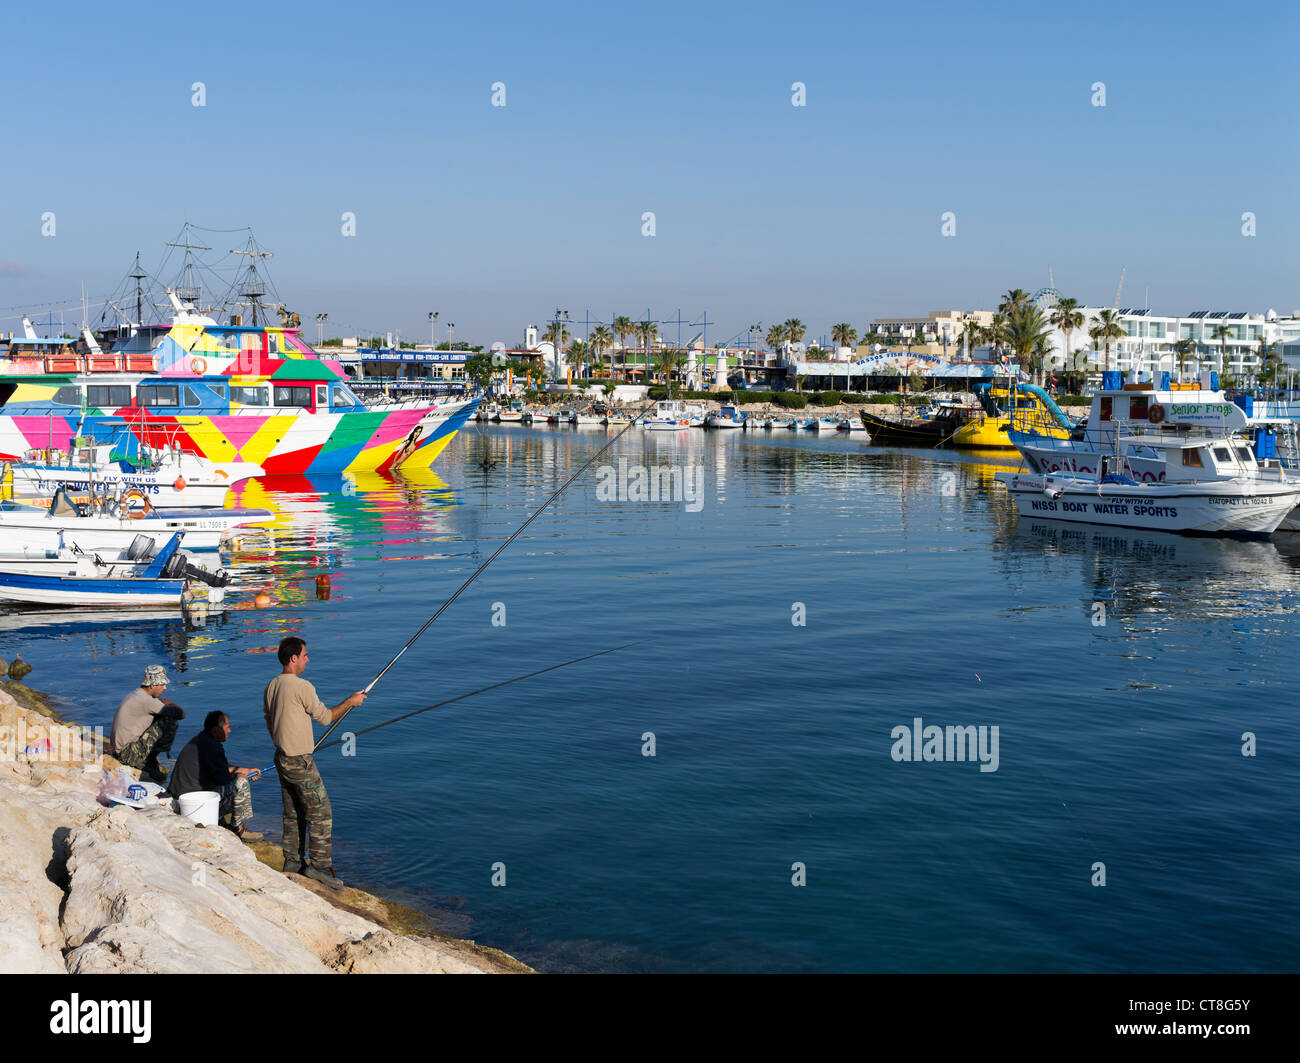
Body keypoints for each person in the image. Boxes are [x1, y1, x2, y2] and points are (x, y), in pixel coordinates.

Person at [263, 636, 365, 889]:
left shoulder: (272, 685)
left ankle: (293, 861)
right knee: (320, 812)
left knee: (293, 811)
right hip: (299, 760)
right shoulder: (302, 686)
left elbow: (268, 720)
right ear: (293, 658)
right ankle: (319, 867)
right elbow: (325, 718)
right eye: (305, 655)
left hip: (281, 757)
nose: (308, 659)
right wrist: (350, 702)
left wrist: (283, 739)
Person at [168, 711, 263, 840]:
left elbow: (218, 769)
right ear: (216, 730)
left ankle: (221, 820)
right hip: (193, 804)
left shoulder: (201, 740)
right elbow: (223, 779)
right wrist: (241, 775)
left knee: (236, 777)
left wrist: (243, 769)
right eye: (227, 727)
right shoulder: (213, 747)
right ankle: (238, 828)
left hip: (181, 798)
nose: (229, 731)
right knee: (241, 782)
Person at [112, 665, 185, 782]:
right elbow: (180, 714)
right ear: (152, 686)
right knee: (169, 719)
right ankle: (148, 760)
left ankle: (149, 758)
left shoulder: (137, 695)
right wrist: (171, 704)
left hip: (122, 750)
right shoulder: (146, 701)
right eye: (162, 685)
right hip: (127, 754)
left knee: (160, 715)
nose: (165, 688)